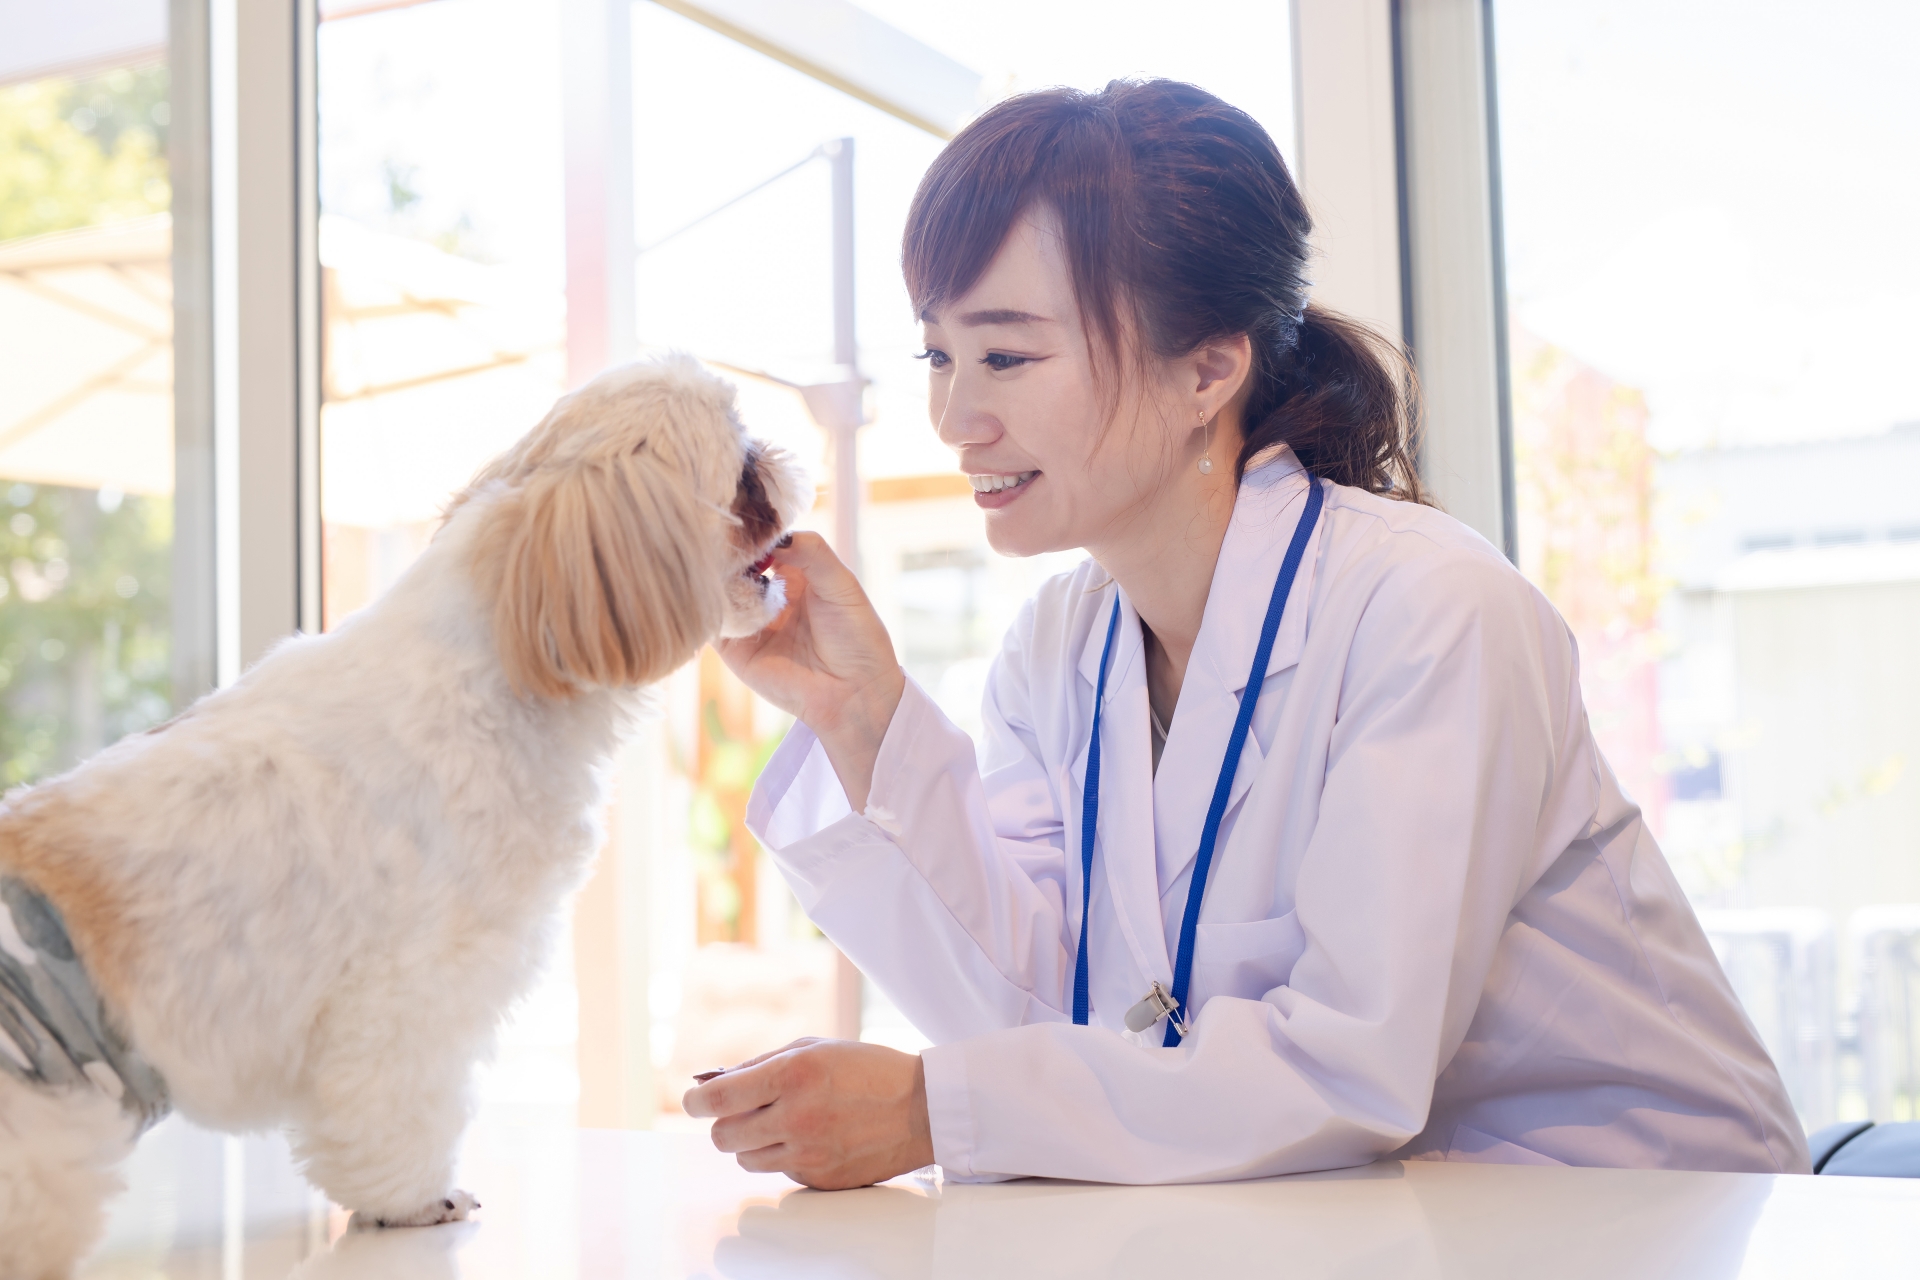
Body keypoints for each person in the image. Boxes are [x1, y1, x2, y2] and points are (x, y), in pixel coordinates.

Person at [683, 79, 1808, 1189]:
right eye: (938, 355)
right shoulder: (1055, 648)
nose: (953, 416)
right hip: (1358, 1213)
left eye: (1008, 356)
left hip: (1645, 1208)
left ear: (1209, 370)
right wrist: (862, 716)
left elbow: (1348, 1063)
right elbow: (1040, 1006)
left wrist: (940, 1108)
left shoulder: (1430, 609)